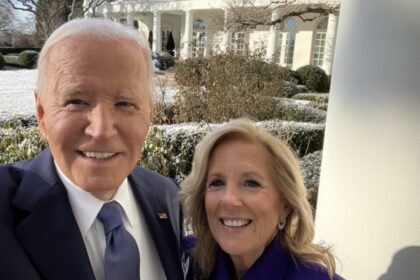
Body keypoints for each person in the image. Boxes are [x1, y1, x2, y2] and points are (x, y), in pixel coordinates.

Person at [0, 18, 186, 280]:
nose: (101, 130)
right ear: (42, 115)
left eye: (124, 103)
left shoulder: (166, 195)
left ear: (149, 114)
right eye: (76, 101)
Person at [180, 119, 342, 280]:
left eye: (251, 183)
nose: (229, 199)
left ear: (285, 205)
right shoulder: (188, 261)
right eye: (217, 182)